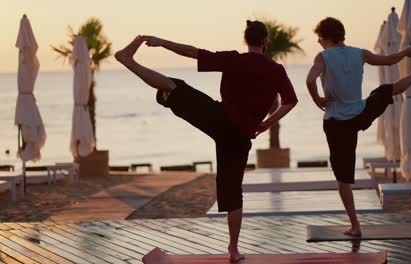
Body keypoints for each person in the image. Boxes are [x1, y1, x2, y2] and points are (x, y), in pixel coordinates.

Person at [115, 20, 298, 262]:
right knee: (234, 193)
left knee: (174, 86)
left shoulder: (235, 59)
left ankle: (129, 61)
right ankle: (233, 250)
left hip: (219, 119)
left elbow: (193, 52)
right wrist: (268, 123)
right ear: (265, 41)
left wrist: (162, 43)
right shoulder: (276, 70)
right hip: (241, 136)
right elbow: (290, 101)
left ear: (247, 40)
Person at [306, 17, 411, 237]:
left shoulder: (322, 57)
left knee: (343, 180)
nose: (319, 42)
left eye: (319, 39)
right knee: (385, 91)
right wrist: (407, 52)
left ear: (324, 37)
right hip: (360, 114)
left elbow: (310, 80)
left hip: (336, 124)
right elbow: (390, 60)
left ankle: (355, 225)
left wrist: (319, 101)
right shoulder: (359, 53)